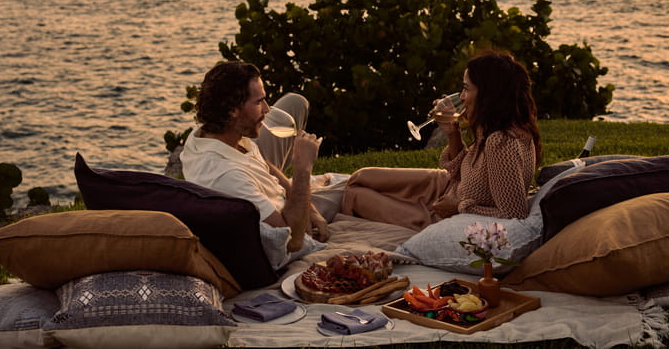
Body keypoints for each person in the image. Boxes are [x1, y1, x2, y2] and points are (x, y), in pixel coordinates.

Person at [341, 49, 542, 229]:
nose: (461, 97)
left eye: (466, 89)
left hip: (444, 216)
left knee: (355, 195)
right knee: (361, 177)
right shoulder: (493, 125)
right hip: (446, 186)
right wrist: (452, 133)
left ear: (489, 95)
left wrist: (457, 207)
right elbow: (464, 172)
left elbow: (514, 215)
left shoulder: (502, 142)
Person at [180, 61, 333, 264]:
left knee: (296, 102)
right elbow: (293, 241)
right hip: (288, 215)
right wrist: (303, 168)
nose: (268, 109)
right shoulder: (228, 177)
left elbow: (264, 164)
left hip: (280, 197)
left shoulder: (211, 134)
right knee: (357, 189)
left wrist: (312, 210)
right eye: (259, 102)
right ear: (233, 109)